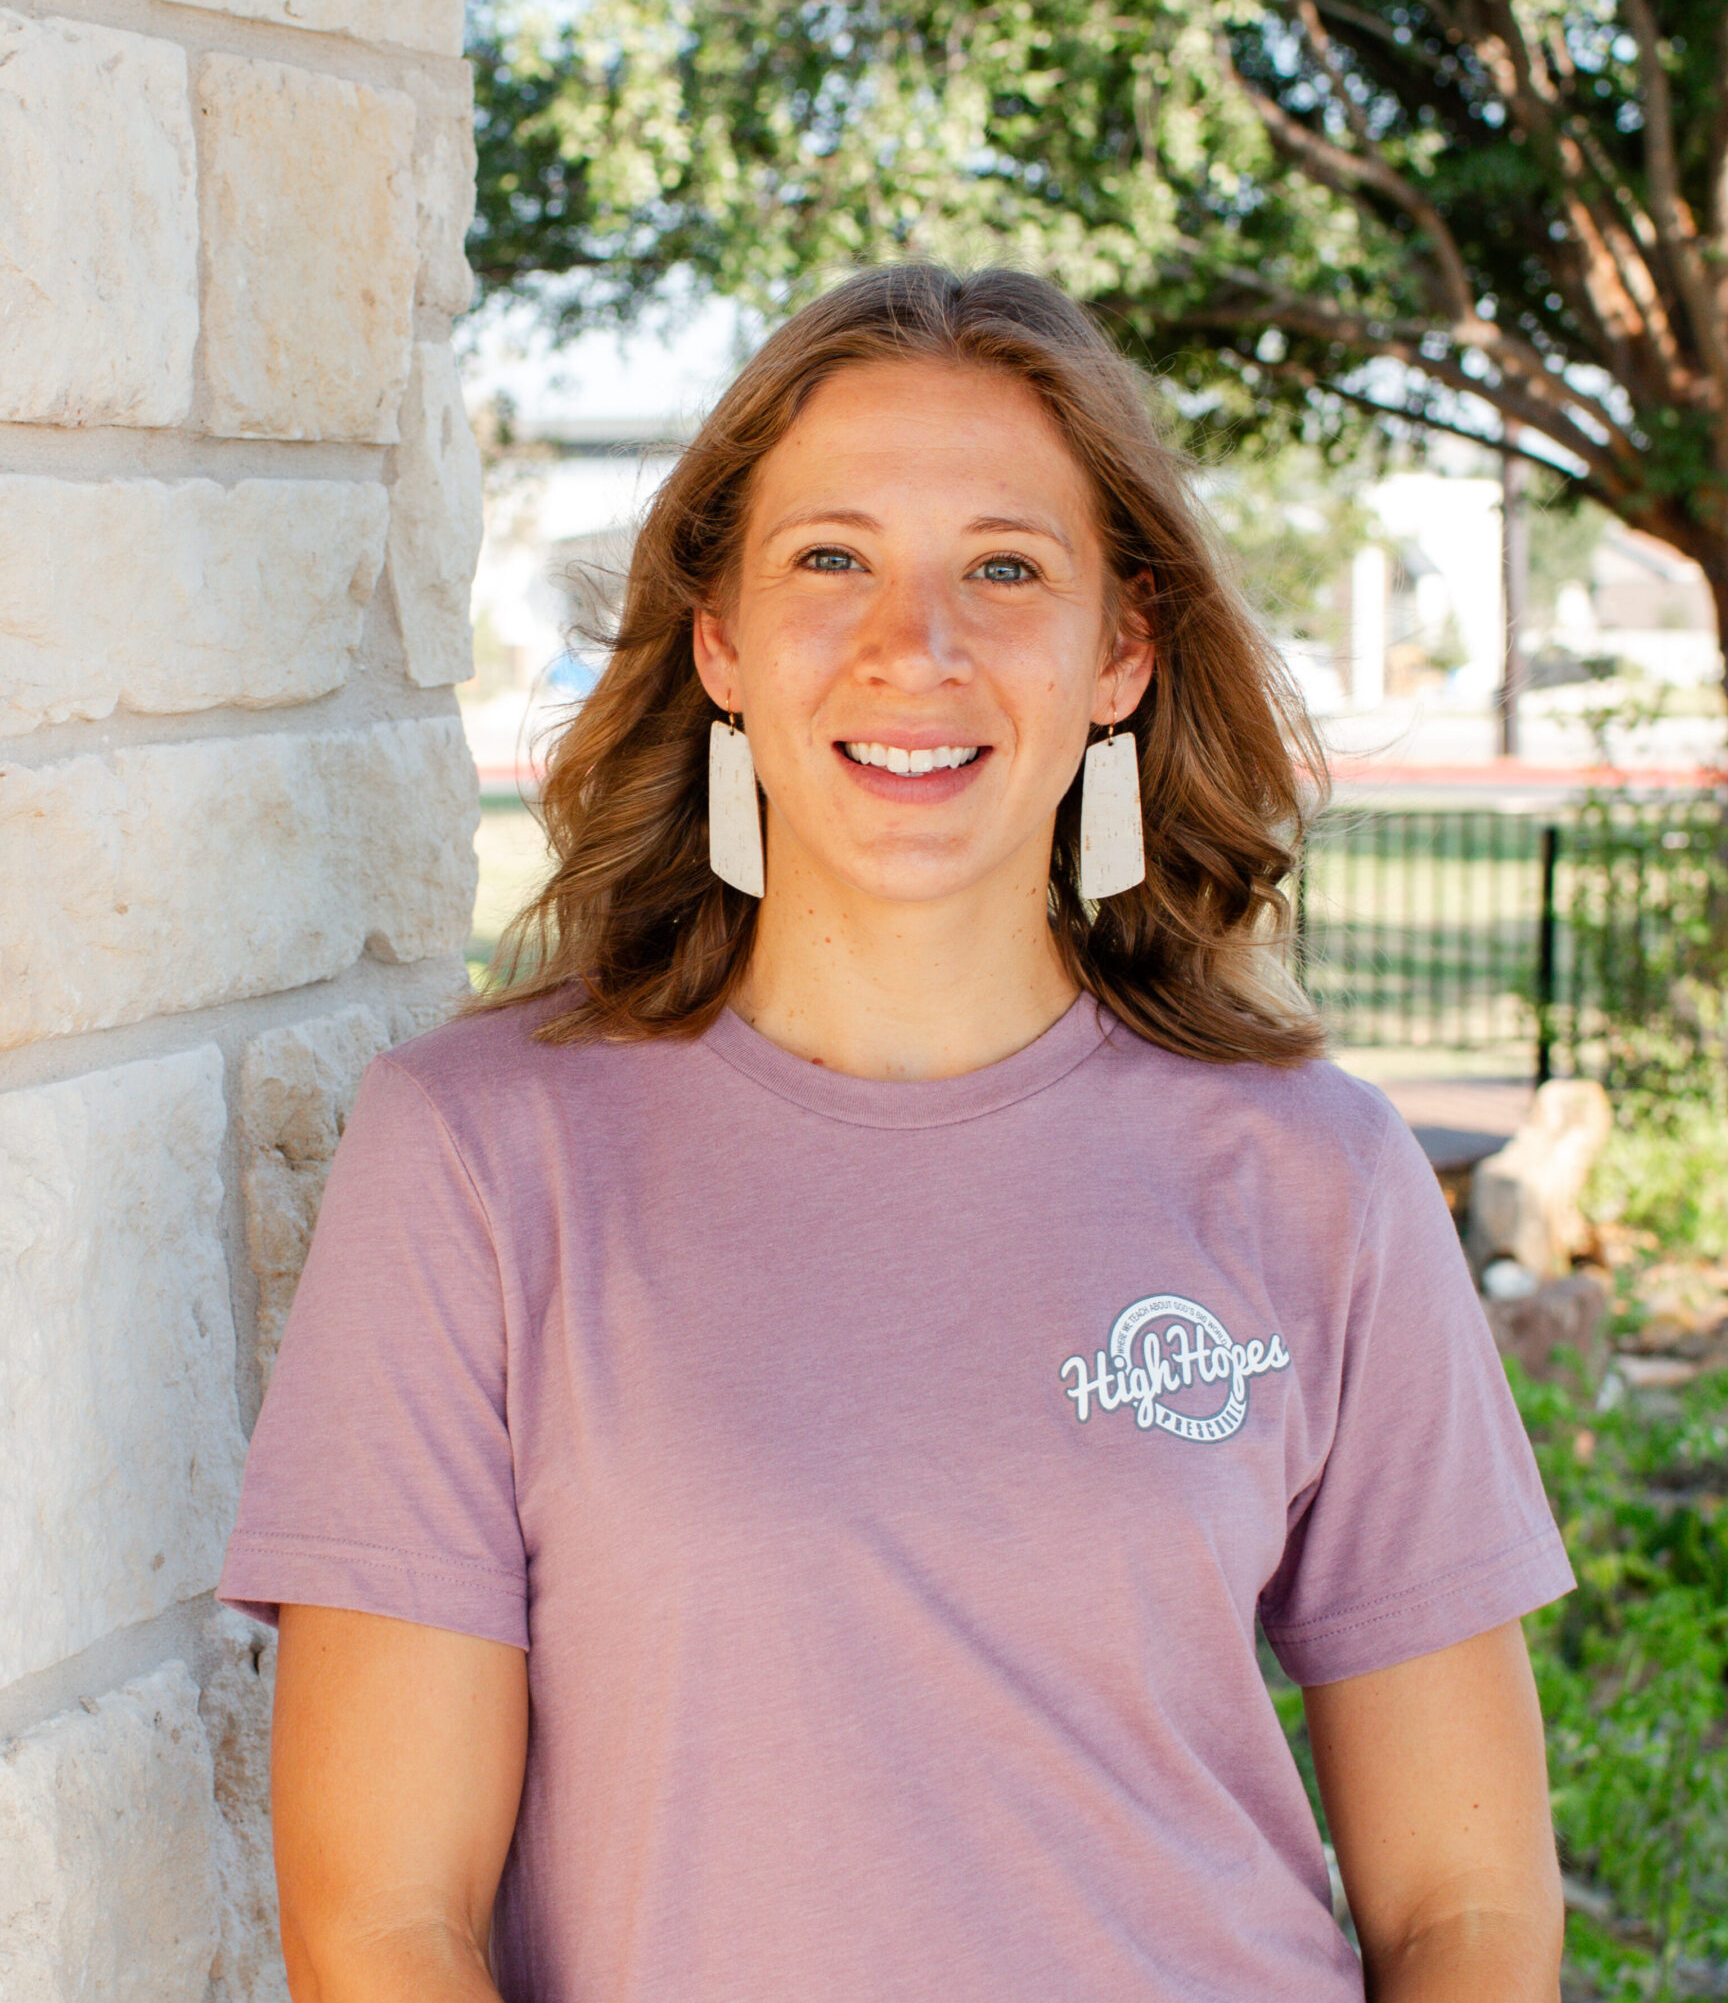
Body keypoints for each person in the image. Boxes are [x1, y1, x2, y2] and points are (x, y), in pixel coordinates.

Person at [218, 264, 1573, 2003]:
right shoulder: (482, 1163)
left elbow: (1466, 1904)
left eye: (1006, 568)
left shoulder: (1318, 1175)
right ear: (719, 641)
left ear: (1121, 652)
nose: (912, 645)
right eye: (830, 558)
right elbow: (382, 1926)